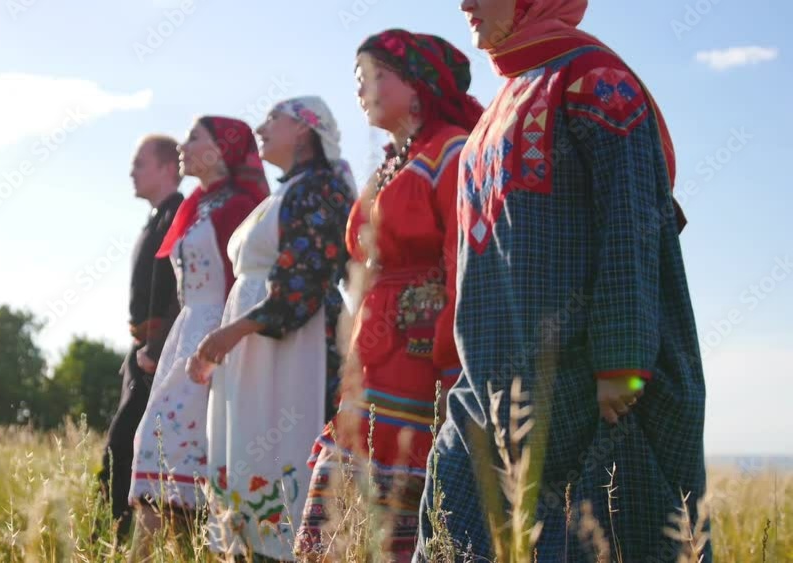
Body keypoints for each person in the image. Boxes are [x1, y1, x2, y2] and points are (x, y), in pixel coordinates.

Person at [415, 1, 709, 561]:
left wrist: (623, 363)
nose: (465, 4)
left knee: (599, 538)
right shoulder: (493, 111)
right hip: (487, 388)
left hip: (589, 385)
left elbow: (632, 222)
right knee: (456, 534)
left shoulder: (594, 79)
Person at [295, 30, 484, 562]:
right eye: (358, 80)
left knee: (406, 499)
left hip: (424, 355)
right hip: (371, 355)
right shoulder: (388, 165)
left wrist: (452, 363)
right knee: (336, 515)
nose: (363, 89)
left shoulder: (452, 150)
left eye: (377, 76)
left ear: (419, 85)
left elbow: (463, 258)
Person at [190, 96, 356, 560]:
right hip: (256, 348)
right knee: (248, 453)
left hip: (294, 347)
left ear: (304, 129)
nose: (260, 127)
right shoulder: (287, 192)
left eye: (272, 119)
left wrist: (230, 333)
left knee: (287, 448)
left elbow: (302, 286)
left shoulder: (321, 188)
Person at [128, 116, 268, 552]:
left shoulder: (241, 205)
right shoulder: (199, 204)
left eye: (194, 137)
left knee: (173, 445)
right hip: (185, 334)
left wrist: (230, 342)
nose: (184, 146)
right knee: (160, 448)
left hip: (218, 334)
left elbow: (243, 281)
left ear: (222, 148)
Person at [97, 134, 183, 539]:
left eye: (140, 163)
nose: (132, 171)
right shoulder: (158, 218)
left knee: (124, 446)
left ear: (168, 168)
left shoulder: (178, 214)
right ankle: (113, 535)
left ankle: (118, 537)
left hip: (160, 353)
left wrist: (157, 345)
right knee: (122, 445)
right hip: (144, 351)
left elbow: (181, 288)